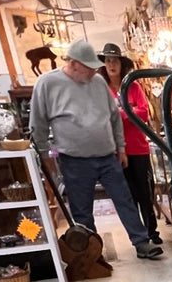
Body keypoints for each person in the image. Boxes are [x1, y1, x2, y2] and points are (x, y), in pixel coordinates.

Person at [30, 38, 162, 260]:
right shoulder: (47, 84)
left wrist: (120, 148)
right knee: (82, 210)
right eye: (88, 67)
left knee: (125, 199)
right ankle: (91, 252)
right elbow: (38, 123)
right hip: (74, 159)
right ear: (72, 64)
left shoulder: (98, 83)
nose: (94, 71)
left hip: (107, 155)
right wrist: (44, 157)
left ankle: (141, 242)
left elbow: (114, 118)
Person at [98, 42, 160, 244]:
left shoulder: (133, 87)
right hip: (116, 149)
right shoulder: (102, 90)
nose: (111, 64)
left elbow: (143, 112)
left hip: (138, 147)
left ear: (121, 64)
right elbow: (105, 116)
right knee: (128, 195)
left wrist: (120, 114)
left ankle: (152, 231)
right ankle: (139, 236)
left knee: (145, 193)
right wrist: (127, 114)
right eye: (108, 61)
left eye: (115, 60)